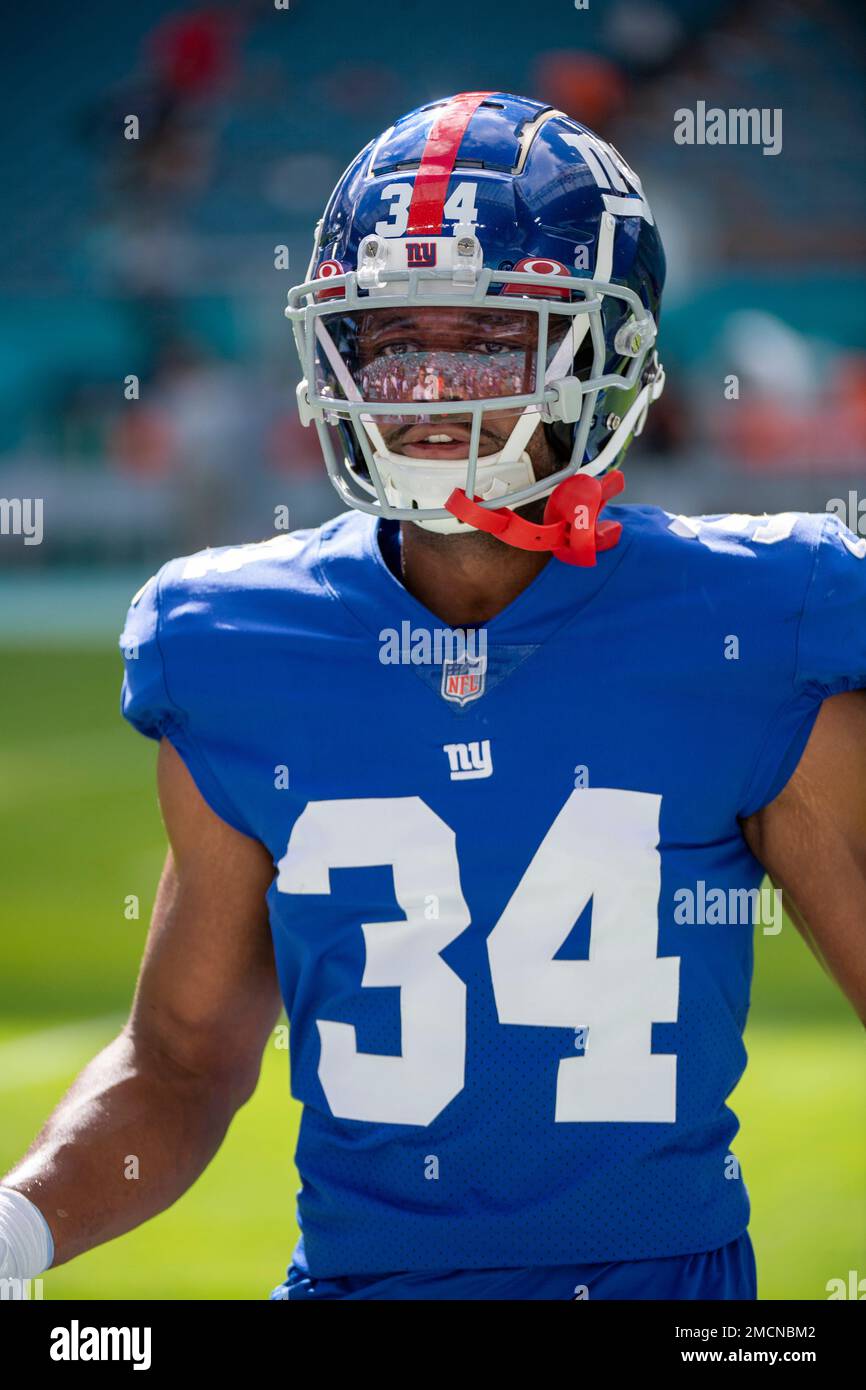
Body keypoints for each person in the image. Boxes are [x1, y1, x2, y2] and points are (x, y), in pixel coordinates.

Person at [2, 92, 864, 1303]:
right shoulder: (238, 641)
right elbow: (182, 1063)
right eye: (391, 335)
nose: (425, 382)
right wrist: (15, 1231)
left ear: (601, 349)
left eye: (485, 336)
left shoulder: (757, 625)